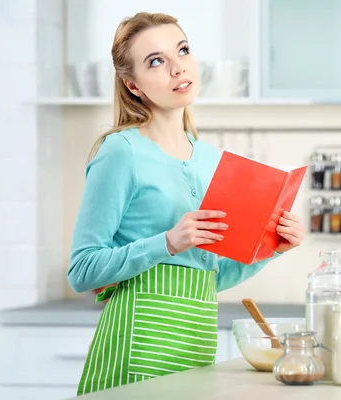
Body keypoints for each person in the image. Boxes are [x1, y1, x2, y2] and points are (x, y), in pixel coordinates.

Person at [67, 12, 305, 396]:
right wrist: (168, 242)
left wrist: (272, 249)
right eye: (156, 61)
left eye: (183, 51)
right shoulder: (120, 152)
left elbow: (211, 274)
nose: (178, 68)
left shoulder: (210, 159)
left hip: (196, 341)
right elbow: (81, 270)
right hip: (139, 344)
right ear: (133, 85)